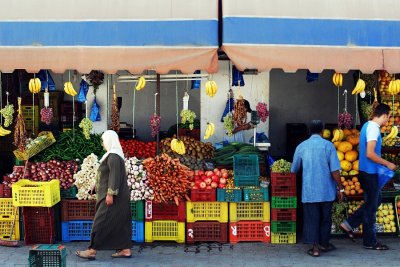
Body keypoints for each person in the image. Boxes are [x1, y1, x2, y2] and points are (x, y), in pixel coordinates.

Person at [340, 103, 396, 250]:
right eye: (388, 117)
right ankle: (369, 241)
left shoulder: (366, 126)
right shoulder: (373, 129)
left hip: (365, 171)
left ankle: (350, 224)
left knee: (375, 201)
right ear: (384, 115)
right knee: (371, 207)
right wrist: (387, 163)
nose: (387, 120)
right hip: (370, 173)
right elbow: (370, 153)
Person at [76, 130, 132, 260]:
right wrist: (95, 186)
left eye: (104, 140)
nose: (103, 143)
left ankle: (92, 250)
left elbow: (114, 176)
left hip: (113, 197)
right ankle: (125, 249)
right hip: (115, 196)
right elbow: (107, 174)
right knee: (120, 222)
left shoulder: (113, 156)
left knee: (100, 222)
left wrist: (110, 194)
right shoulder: (112, 155)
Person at [291, 120, 344, 257]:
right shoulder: (329, 146)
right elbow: (335, 171)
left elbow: (294, 169)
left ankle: (315, 249)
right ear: (322, 131)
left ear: (309, 131)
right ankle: (324, 244)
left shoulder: (302, 146)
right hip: (327, 191)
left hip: (310, 191)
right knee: (325, 219)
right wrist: (341, 188)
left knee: (312, 219)